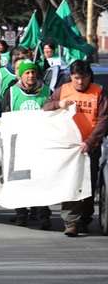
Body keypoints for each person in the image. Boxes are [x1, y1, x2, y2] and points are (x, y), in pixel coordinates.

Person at [42, 60, 108, 237]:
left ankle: (84, 219)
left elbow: (103, 120)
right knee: (71, 182)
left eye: (84, 78)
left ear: (89, 77)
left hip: (90, 147)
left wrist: (90, 140)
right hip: (68, 147)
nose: (80, 82)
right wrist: (58, 104)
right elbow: (45, 108)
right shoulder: (63, 91)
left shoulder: (98, 93)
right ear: (71, 77)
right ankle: (71, 222)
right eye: (77, 78)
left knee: (87, 185)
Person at [1, 59, 52, 229]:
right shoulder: (12, 92)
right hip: (19, 144)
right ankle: (21, 214)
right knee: (19, 181)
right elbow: (5, 116)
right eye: (27, 73)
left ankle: (43, 214)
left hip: (40, 144)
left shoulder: (46, 91)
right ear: (20, 75)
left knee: (41, 179)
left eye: (33, 72)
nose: (30, 76)